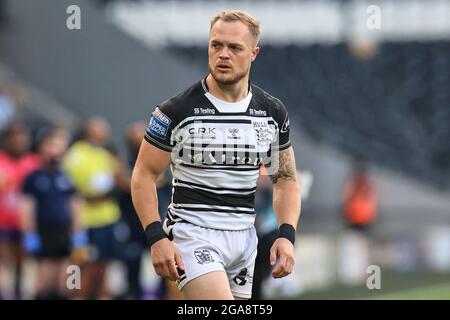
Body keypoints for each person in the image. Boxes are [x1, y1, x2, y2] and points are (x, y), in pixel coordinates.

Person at [131, 10, 301, 300]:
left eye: (235, 48)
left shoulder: (271, 112)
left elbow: (285, 179)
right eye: (216, 45)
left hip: (245, 239)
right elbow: (144, 175)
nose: (223, 54)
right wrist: (156, 236)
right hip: (193, 234)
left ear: (253, 54)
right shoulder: (176, 111)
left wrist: (287, 234)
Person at [21, 127, 86, 299]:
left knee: (68, 280)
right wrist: (29, 233)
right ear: (41, 147)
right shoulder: (33, 177)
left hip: (65, 231)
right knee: (45, 280)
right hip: (44, 231)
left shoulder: (67, 176)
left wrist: (79, 232)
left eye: (59, 145)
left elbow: (75, 205)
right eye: (51, 144)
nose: (55, 149)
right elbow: (27, 207)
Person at [63, 117, 123, 299]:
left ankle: (100, 293)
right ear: (89, 131)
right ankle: (79, 295)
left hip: (107, 217)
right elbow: (75, 187)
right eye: (100, 129)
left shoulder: (105, 153)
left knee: (103, 262)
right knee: (83, 263)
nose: (105, 133)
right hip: (85, 220)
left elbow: (117, 179)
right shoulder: (76, 154)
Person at [0, 122, 40, 299]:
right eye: (14, 138)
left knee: (21, 261)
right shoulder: (1, 161)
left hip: (24, 222)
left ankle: (17, 290)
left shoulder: (34, 162)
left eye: (22, 138)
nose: (18, 141)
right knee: (4, 259)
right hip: (3, 220)